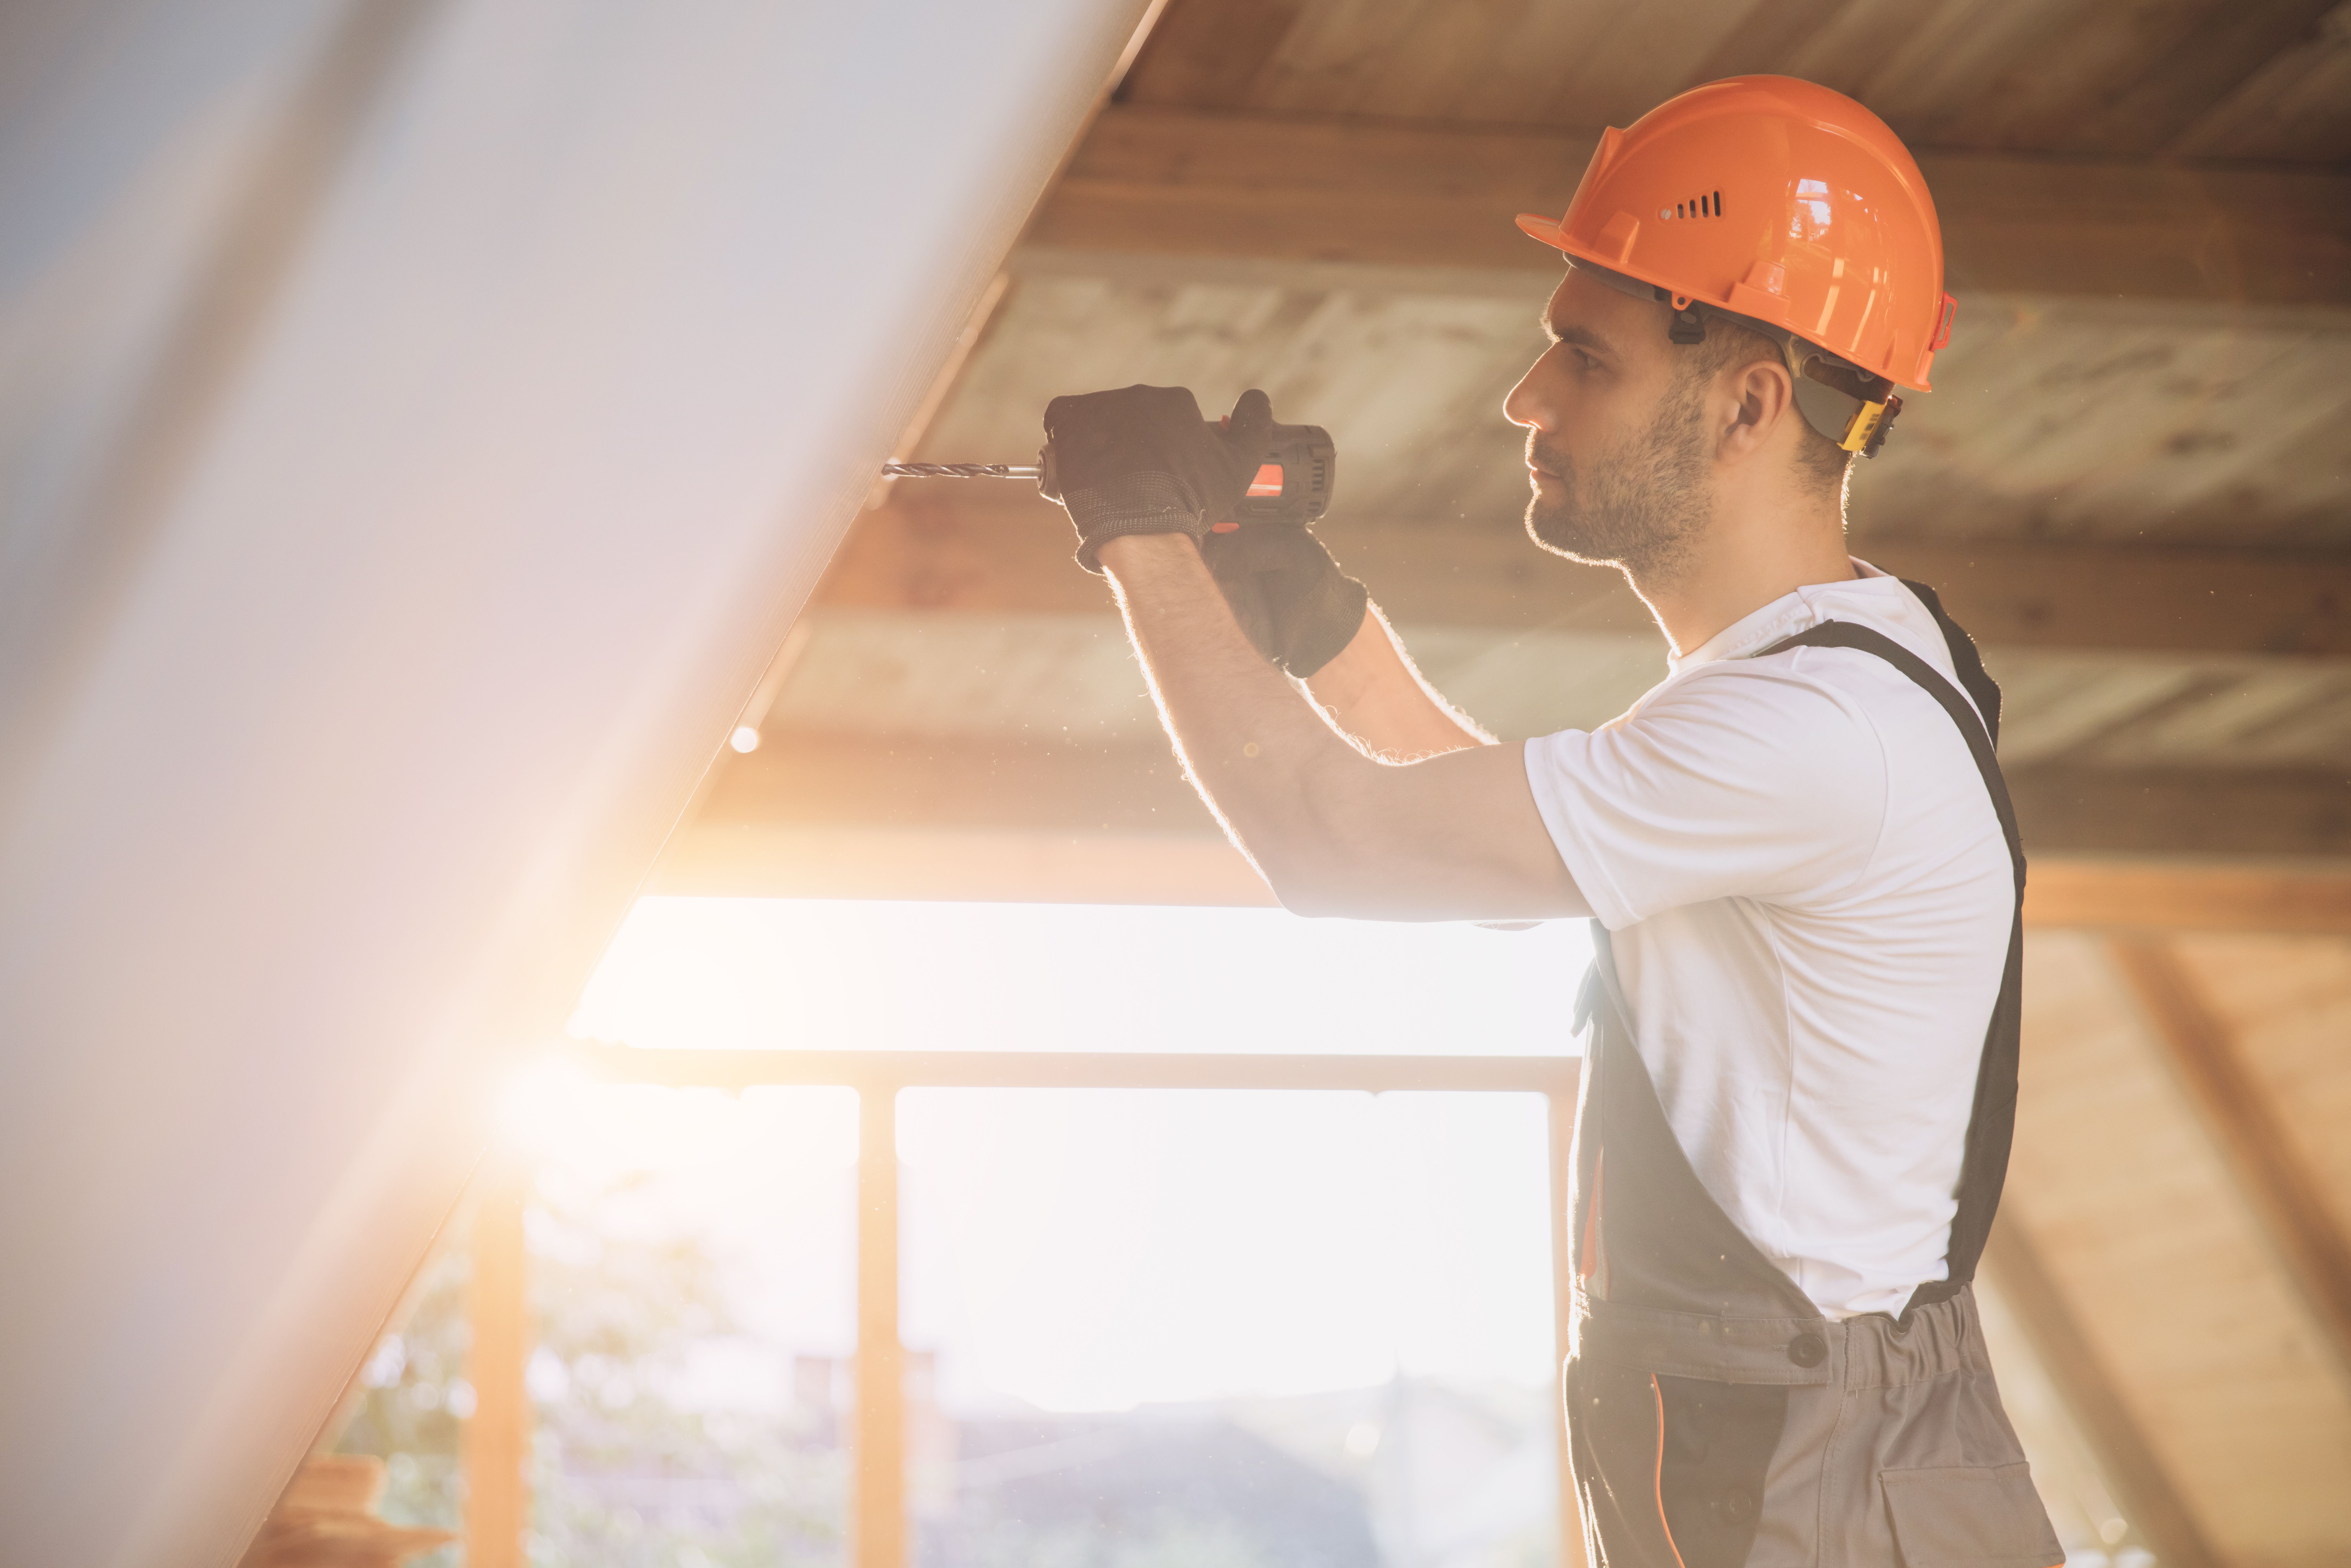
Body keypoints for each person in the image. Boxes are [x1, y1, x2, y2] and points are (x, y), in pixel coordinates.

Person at [1037, 76, 2063, 1565]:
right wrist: (1314, 623)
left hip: (1811, 1482)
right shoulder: (1826, 675)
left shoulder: (1809, 734)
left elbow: (1332, 846)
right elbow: (1523, 862)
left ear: (1750, 401)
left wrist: (1140, 534)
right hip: (1781, 1443)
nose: (1527, 398)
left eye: (1585, 357)